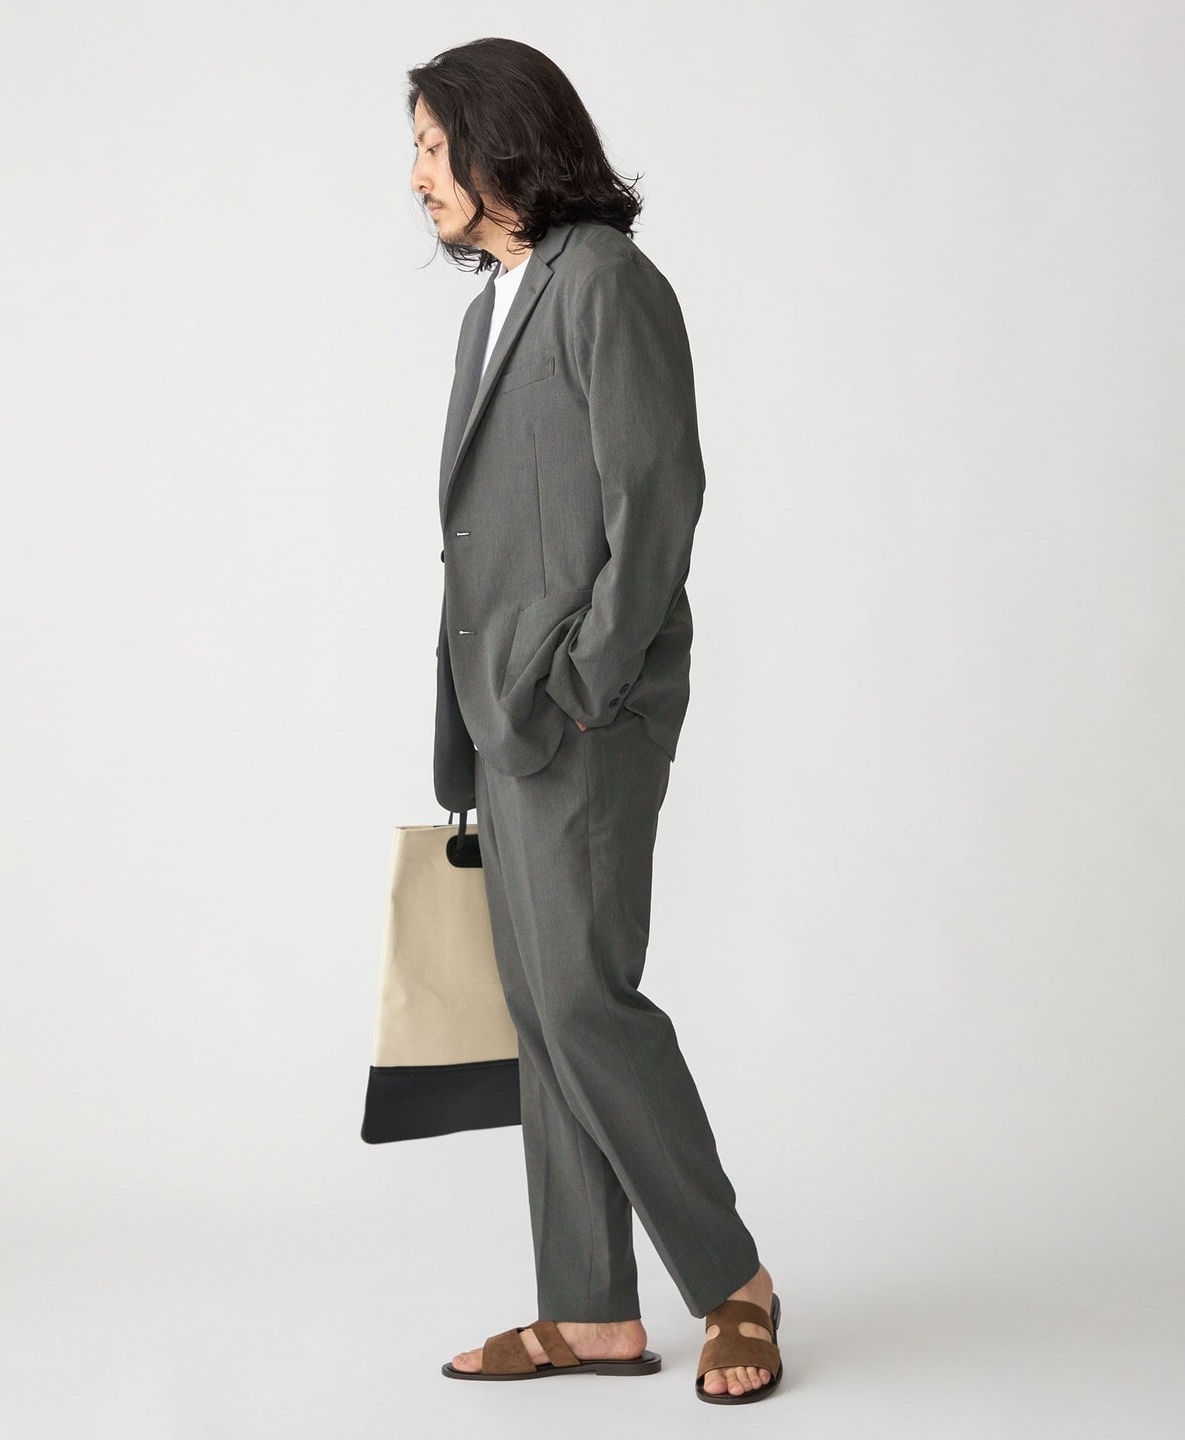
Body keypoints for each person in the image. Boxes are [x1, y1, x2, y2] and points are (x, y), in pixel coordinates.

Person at [408, 37, 783, 1404]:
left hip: (582, 709)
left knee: (583, 997)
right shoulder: (491, 312)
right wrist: (482, 703)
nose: (417, 178)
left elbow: (658, 495)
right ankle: (590, 1312)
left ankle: (733, 1285)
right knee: (541, 1009)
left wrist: (588, 677)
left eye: (433, 147)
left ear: (501, 140)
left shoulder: (606, 281)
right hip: (501, 708)